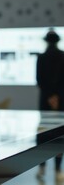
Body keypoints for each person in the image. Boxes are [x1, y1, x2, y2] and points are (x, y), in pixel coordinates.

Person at [36, 29, 64, 181]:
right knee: (59, 135)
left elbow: (39, 80)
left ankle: (41, 168)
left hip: (45, 102)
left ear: (46, 41)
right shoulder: (63, 56)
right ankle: (58, 170)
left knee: (43, 135)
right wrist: (57, 96)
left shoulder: (41, 57)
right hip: (60, 102)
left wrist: (49, 96)